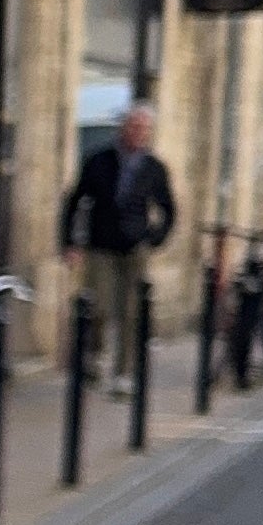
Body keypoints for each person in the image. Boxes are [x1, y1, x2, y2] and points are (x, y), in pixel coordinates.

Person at [62, 98, 176, 391]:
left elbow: (168, 208)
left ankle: (123, 373)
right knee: (98, 303)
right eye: (133, 126)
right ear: (124, 127)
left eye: (143, 128)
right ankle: (95, 355)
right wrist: (70, 242)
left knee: (131, 311)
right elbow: (75, 201)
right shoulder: (99, 160)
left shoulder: (154, 168)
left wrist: (154, 237)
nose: (138, 132)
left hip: (134, 245)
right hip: (101, 243)